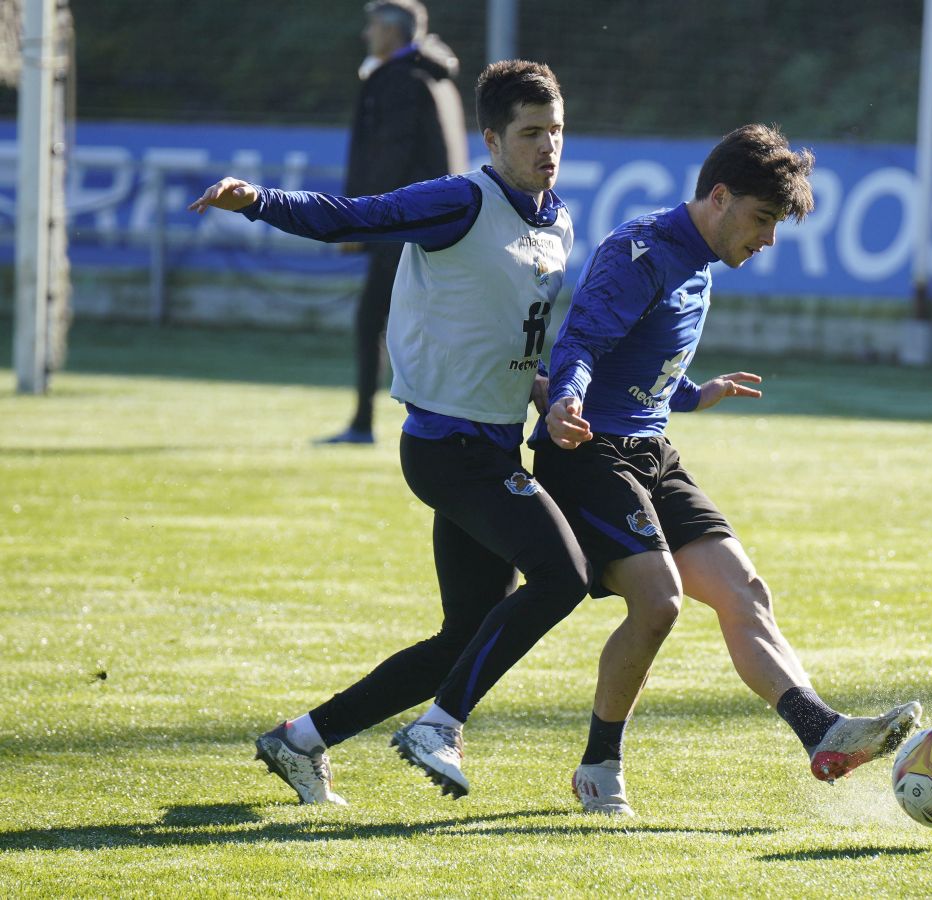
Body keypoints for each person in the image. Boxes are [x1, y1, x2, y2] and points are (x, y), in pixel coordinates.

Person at [190, 60, 589, 805]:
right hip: (447, 450)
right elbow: (354, 215)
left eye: (557, 130)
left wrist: (542, 393)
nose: (548, 146)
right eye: (531, 133)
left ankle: (300, 739)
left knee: (461, 639)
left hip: (493, 445)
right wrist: (260, 201)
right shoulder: (459, 202)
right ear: (492, 137)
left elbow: (506, 337)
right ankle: (442, 726)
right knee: (562, 577)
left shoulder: (558, 222)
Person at [532, 124, 922, 816]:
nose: (768, 240)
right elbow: (584, 343)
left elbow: (642, 360)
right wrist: (563, 400)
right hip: (587, 450)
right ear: (719, 197)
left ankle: (823, 734)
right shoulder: (640, 251)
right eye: (762, 219)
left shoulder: (702, 266)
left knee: (747, 590)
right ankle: (598, 766)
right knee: (659, 603)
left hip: (651, 452)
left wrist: (690, 393)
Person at [319, 0, 469, 445]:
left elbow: (389, 157)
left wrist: (356, 221)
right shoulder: (435, 79)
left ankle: (365, 423)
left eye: (371, 27)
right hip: (438, 222)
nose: (366, 36)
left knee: (373, 321)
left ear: (390, 31)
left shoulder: (397, 81)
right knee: (434, 329)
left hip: (403, 223)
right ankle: (451, 423)